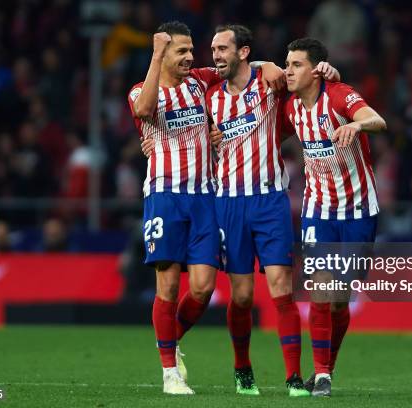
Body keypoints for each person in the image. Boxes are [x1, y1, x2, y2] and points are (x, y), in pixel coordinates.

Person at [128, 21, 284, 395]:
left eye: (191, 50)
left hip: (204, 197)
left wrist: (269, 66)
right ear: (163, 55)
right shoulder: (140, 90)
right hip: (165, 196)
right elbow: (145, 109)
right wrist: (154, 56)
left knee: (202, 288)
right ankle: (170, 374)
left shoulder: (199, 81)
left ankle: (169, 340)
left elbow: (237, 64)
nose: (191, 58)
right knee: (166, 286)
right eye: (181, 51)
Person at [205, 25, 340, 397]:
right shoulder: (209, 97)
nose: (215, 55)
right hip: (229, 203)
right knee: (243, 296)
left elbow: (306, 81)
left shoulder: (270, 84)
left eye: (222, 49)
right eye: (213, 49)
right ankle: (242, 367)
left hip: (270, 201)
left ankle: (293, 377)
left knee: (282, 288)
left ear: (243, 52)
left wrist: (326, 71)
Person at [283, 37, 387, 396]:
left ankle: (328, 366)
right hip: (318, 209)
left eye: (296, 65)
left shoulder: (340, 95)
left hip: (358, 209)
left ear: (316, 70)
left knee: (341, 298)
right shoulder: (291, 108)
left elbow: (378, 120)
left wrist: (357, 126)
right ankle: (322, 374)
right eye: (287, 64)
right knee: (322, 291)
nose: (288, 71)